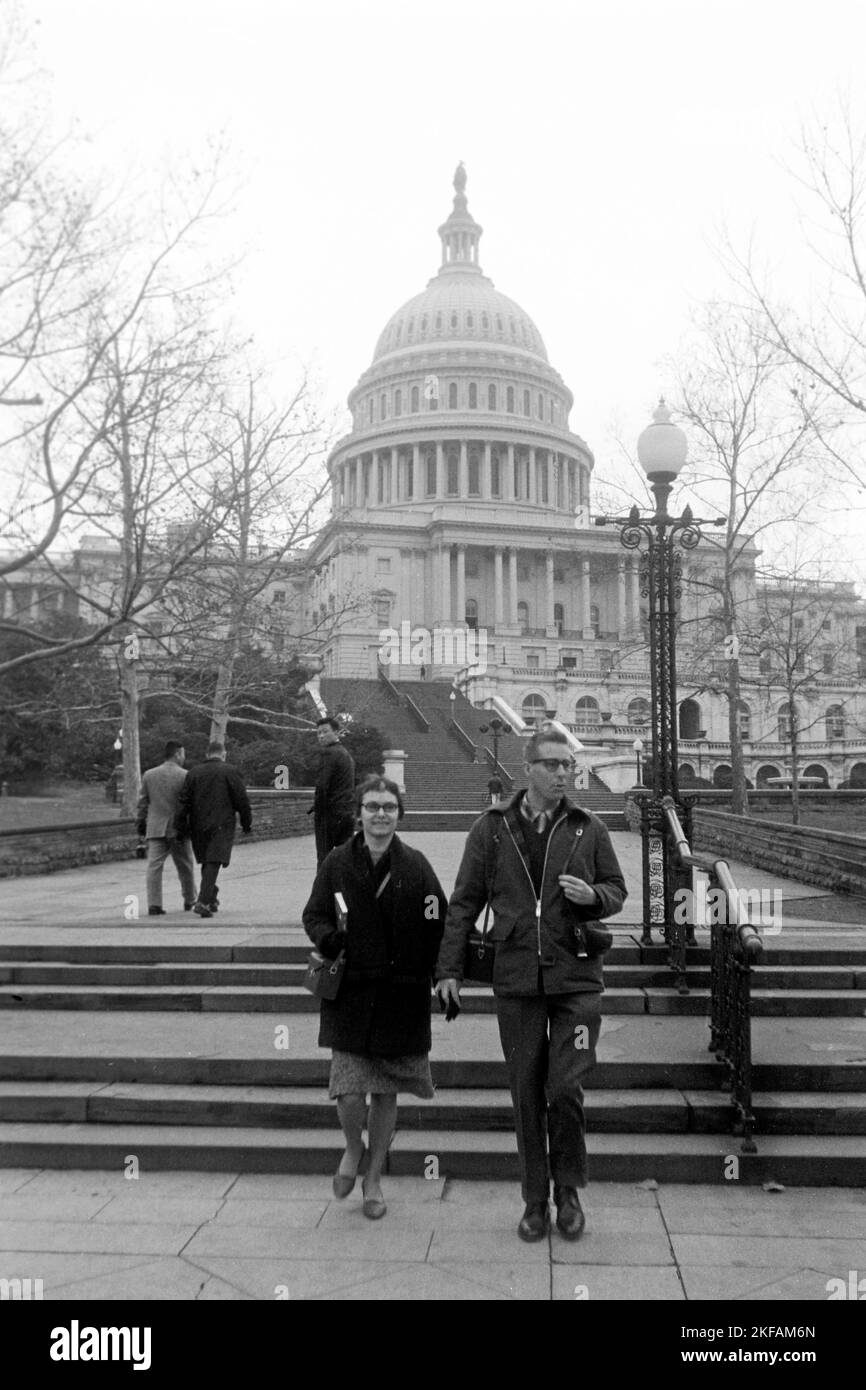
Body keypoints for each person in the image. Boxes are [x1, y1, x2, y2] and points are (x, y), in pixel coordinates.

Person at [435, 723, 627, 1243]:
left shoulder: (590, 827)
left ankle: (570, 1191)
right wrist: (448, 969)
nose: (563, 773)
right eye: (552, 764)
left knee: (565, 1087)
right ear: (529, 769)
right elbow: (464, 903)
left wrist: (594, 897)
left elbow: (617, 890)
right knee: (525, 1092)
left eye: (568, 764)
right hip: (517, 976)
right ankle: (534, 1199)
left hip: (577, 976)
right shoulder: (491, 829)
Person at [302, 775, 447, 1220]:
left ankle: (374, 1180)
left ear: (399, 813)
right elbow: (315, 913)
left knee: (386, 1093)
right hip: (352, 991)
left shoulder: (417, 865)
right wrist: (329, 940)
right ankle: (353, 1147)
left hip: (400, 993)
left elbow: (437, 921)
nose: (380, 813)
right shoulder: (337, 863)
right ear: (359, 813)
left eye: (388, 806)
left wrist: (443, 973)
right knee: (348, 1091)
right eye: (371, 806)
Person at [175, 742, 252, 919]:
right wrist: (247, 823)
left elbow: (183, 802)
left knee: (208, 861)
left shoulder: (193, 773)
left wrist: (180, 826)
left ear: (207, 754)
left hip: (198, 824)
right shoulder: (230, 771)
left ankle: (211, 897)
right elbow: (242, 800)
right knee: (214, 861)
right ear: (223, 754)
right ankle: (203, 902)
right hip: (222, 823)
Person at [135, 741, 196, 916]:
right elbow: (190, 804)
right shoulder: (186, 776)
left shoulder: (149, 775)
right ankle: (190, 899)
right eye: (183, 754)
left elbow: (143, 803)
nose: (184, 758)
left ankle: (154, 904)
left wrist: (141, 823)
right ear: (177, 754)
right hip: (178, 828)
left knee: (154, 866)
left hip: (155, 827)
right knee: (185, 865)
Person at [311, 716, 355, 866]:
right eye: (318, 733)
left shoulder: (328, 753)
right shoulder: (345, 754)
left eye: (325, 732)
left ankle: (323, 889)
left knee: (325, 860)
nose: (321, 736)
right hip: (347, 813)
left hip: (330, 815)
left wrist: (318, 811)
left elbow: (322, 787)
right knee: (346, 860)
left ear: (336, 732)